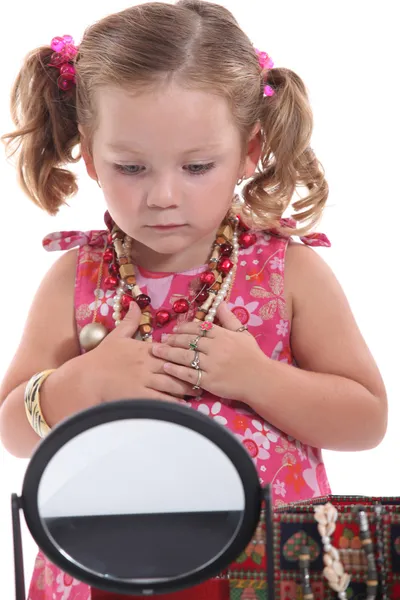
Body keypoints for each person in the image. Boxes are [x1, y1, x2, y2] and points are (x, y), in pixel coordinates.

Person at [0, 1, 387, 598]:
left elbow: (367, 420)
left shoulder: (291, 273)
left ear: (250, 151)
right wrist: (84, 384)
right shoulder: (73, 278)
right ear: (89, 155)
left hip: (266, 559)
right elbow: (14, 432)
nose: (162, 196)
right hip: (102, 554)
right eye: (130, 166)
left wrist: (257, 377)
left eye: (198, 166)